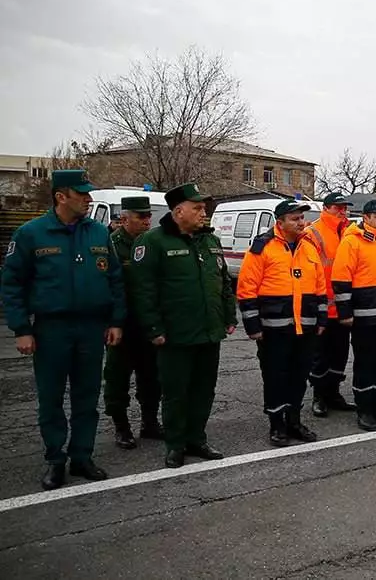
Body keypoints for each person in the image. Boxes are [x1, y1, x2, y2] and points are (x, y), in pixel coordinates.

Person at [1, 169, 125, 490]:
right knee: (51, 398)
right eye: (81, 193)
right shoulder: (32, 234)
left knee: (87, 396)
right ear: (61, 196)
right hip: (51, 329)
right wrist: (21, 328)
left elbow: (115, 280)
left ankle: (82, 456)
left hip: (91, 328)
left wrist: (115, 321)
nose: (88, 198)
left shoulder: (98, 233)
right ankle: (55, 460)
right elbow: (12, 284)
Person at [131, 182, 237, 468]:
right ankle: (176, 444)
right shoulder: (152, 242)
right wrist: (154, 329)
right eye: (198, 208)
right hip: (175, 335)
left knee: (204, 390)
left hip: (208, 330)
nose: (204, 213)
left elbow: (223, 282)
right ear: (179, 211)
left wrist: (229, 316)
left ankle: (197, 439)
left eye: (204, 208)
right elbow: (143, 291)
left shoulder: (210, 241)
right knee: (176, 392)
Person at [237, 199, 326, 447]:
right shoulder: (263, 248)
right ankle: (277, 425)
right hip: (274, 330)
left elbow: (320, 287)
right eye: (295, 219)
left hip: (305, 328)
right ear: (280, 223)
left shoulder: (309, 247)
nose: (301, 223)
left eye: (302, 218)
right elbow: (247, 289)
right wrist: (253, 327)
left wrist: (321, 319)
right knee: (276, 378)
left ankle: (294, 421)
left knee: (299, 376)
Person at [332, 200, 376, 432]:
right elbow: (341, 280)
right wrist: (345, 313)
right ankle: (365, 410)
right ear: (366, 217)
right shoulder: (352, 242)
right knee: (366, 365)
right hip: (364, 318)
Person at [104, 195, 162, 450]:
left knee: (151, 377)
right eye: (141, 216)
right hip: (122, 325)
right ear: (124, 219)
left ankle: (149, 423)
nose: (147, 221)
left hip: (148, 324)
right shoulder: (112, 246)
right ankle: (121, 427)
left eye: (149, 216)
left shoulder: (152, 243)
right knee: (118, 378)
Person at [306, 192, 355, 417]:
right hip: (324, 306)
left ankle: (333, 393)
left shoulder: (350, 231)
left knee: (340, 354)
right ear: (326, 208)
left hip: (344, 308)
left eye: (344, 208)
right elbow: (311, 271)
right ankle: (319, 396)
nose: (342, 211)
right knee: (320, 356)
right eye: (338, 208)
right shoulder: (313, 232)